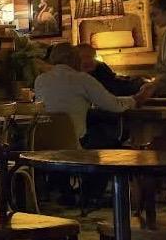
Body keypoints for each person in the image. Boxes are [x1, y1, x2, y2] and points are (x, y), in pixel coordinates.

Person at [34, 43, 157, 205]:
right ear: (74, 59)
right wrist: (136, 99)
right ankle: (91, 194)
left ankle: (65, 191)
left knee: (85, 137)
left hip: (45, 142)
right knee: (109, 145)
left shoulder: (40, 80)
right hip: (75, 143)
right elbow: (113, 105)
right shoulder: (82, 79)